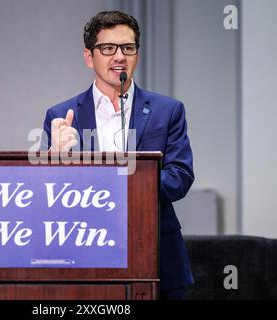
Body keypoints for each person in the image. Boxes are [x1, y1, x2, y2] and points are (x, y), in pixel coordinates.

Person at [42, 10, 194, 300]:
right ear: (90, 57)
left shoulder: (168, 110)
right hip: (83, 256)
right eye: (108, 48)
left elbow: (180, 176)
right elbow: (49, 197)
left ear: (137, 54)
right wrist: (54, 159)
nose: (119, 56)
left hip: (156, 256)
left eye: (128, 47)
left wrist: (121, 184)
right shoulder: (61, 115)